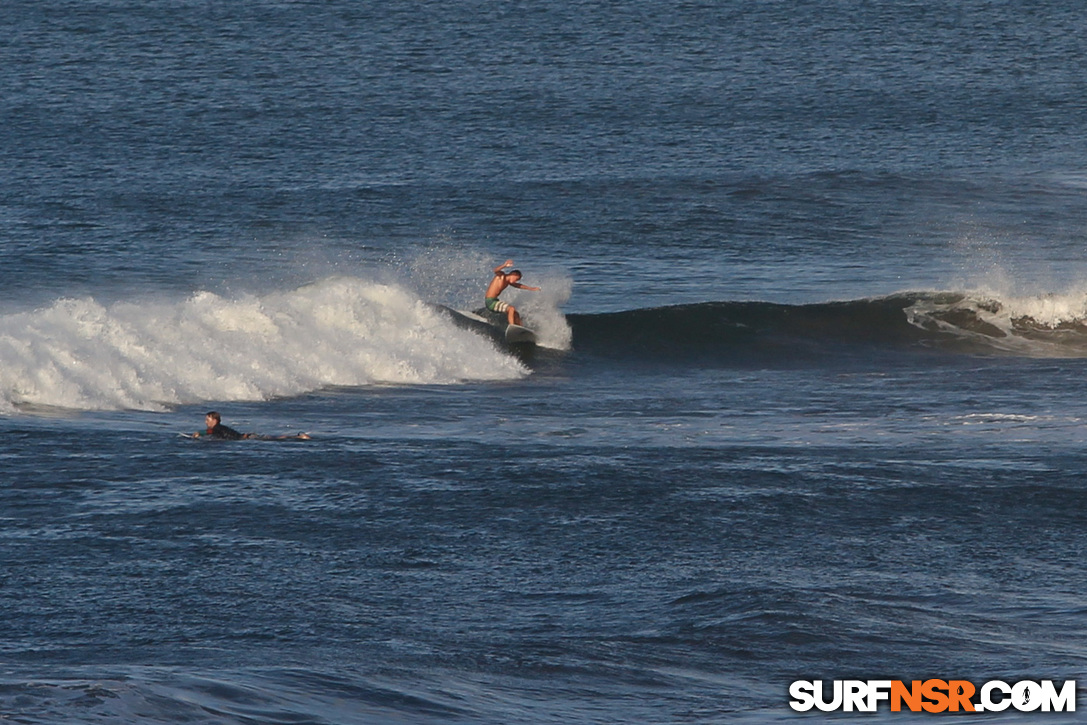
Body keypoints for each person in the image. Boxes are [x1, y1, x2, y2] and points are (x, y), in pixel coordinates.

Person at [484, 259, 540, 326]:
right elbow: (495, 270)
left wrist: (531, 288)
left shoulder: (508, 282)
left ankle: (520, 328)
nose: (515, 281)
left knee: (516, 313)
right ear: (513, 274)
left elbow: (519, 285)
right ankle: (512, 326)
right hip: (490, 301)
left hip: (495, 301)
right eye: (516, 279)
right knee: (511, 309)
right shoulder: (501, 276)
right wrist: (504, 265)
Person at [192, 411, 310, 440]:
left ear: (214, 420)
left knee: (274, 439)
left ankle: (298, 437)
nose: (206, 422)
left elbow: (210, 432)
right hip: (247, 437)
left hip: (247, 438)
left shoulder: (216, 428)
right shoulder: (219, 428)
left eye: (207, 419)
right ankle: (297, 437)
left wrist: (199, 433)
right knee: (272, 438)